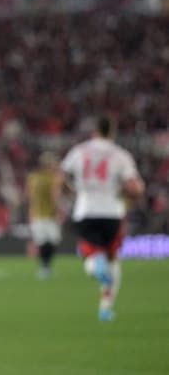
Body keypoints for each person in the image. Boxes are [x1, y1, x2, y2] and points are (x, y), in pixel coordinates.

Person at [56, 115, 144, 321]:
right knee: (113, 259)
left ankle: (96, 265)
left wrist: (72, 194)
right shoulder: (120, 155)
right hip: (112, 213)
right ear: (111, 132)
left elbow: (60, 180)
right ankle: (105, 307)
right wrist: (131, 191)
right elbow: (134, 187)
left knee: (91, 257)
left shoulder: (78, 151)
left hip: (85, 211)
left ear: (94, 132)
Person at [27, 151, 62, 279]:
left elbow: (30, 197)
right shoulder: (53, 178)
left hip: (36, 214)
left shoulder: (32, 177)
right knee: (52, 241)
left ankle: (43, 267)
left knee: (42, 242)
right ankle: (45, 267)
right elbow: (55, 196)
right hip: (49, 214)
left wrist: (30, 211)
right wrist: (59, 210)